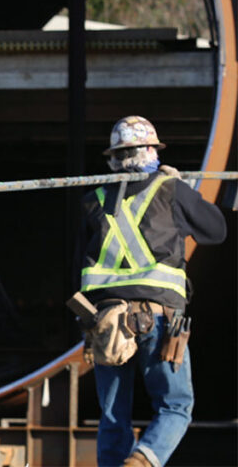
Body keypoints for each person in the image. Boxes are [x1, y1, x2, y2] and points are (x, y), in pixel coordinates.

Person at [79, 115, 226, 467]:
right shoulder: (170, 189)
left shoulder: (93, 200)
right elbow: (216, 230)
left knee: (113, 415)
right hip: (158, 320)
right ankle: (145, 459)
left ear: (113, 156)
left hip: (106, 322)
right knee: (176, 406)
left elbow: (78, 265)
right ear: (151, 151)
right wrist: (185, 189)